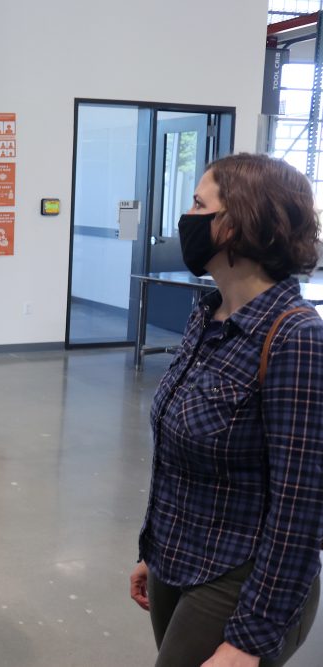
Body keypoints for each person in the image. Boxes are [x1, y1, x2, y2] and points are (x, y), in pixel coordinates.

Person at [130, 153, 323, 666]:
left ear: (237, 224)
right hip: (179, 557)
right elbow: (178, 452)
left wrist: (250, 639)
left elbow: (302, 508)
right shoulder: (208, 316)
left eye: (198, 203)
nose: (186, 216)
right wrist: (155, 551)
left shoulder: (296, 339)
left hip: (238, 574)